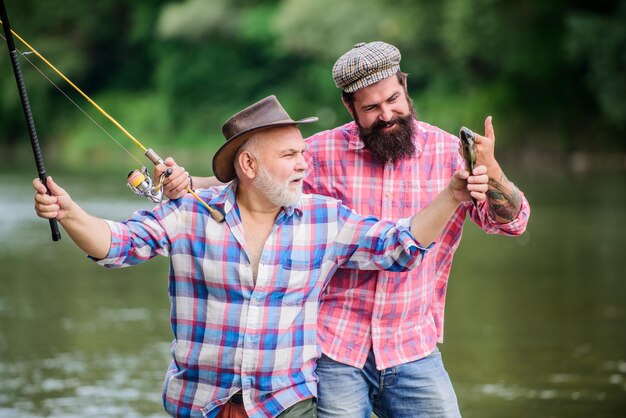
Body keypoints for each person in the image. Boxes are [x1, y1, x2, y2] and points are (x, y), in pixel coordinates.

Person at [33, 95, 490, 418]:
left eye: (303, 154)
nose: (303, 166)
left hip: (287, 405)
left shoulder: (324, 220)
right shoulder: (188, 214)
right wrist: (70, 213)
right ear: (248, 166)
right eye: (290, 155)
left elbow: (401, 244)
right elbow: (116, 244)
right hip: (200, 403)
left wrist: (452, 196)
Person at [160, 42, 531, 417]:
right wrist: (187, 182)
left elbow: (513, 222)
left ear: (405, 86)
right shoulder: (317, 154)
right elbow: (250, 182)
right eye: (371, 107)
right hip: (333, 347)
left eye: (393, 99)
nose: (387, 114)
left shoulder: (449, 152)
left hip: (413, 345)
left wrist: (495, 174)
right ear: (349, 107)